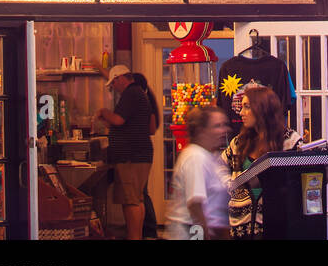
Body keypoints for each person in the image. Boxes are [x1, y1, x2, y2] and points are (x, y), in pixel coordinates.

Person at [221, 84, 302, 239]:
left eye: (247, 107)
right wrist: (230, 184)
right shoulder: (238, 143)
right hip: (240, 228)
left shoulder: (289, 141)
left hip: (276, 226)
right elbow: (220, 167)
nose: (241, 112)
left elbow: (300, 180)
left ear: (262, 109)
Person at [96, 64, 153, 241]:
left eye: (113, 84)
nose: (113, 88)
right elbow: (124, 123)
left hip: (131, 157)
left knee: (131, 201)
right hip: (139, 155)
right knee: (137, 199)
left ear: (120, 79)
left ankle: (134, 237)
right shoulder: (138, 93)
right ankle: (136, 236)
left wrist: (104, 112)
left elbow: (119, 120)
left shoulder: (131, 93)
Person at [165, 106, 232, 240]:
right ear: (202, 131)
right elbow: (195, 204)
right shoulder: (195, 157)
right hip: (189, 231)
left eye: (225, 124)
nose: (225, 130)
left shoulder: (211, 156)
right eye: (217, 126)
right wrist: (204, 235)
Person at [131, 72, 161, 239]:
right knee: (141, 192)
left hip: (141, 151)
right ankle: (148, 230)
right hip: (142, 150)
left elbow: (151, 129)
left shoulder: (144, 101)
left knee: (141, 193)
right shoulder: (145, 99)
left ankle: (149, 230)